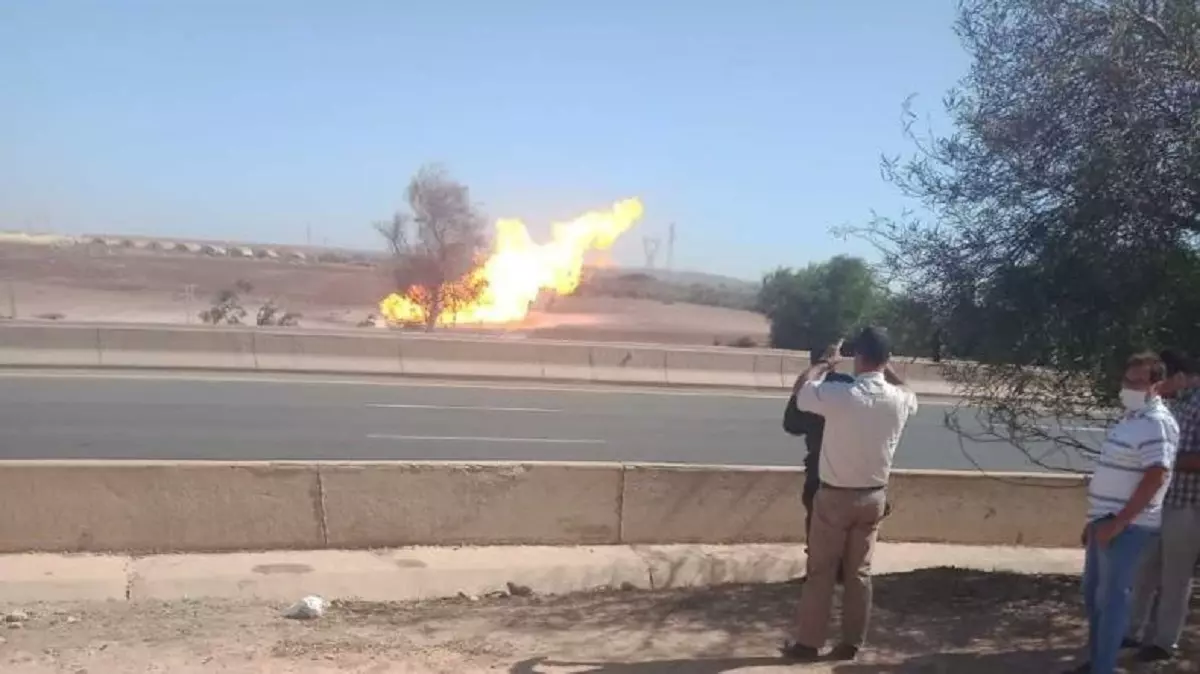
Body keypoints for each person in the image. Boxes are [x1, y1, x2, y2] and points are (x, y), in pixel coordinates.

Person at [781, 327, 918, 662]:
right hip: (873, 497)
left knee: (821, 572)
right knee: (859, 573)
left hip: (835, 497)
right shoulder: (900, 400)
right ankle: (851, 644)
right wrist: (887, 367)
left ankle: (808, 644)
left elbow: (802, 392)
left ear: (858, 356)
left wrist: (824, 363)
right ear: (886, 359)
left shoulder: (843, 396)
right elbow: (908, 391)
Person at [1064, 352, 1179, 674]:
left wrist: (1120, 522)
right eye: (1127, 380)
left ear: (1157, 385)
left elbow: (1156, 475)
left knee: (1111, 598)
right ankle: (1098, 662)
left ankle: (1102, 667)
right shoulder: (1131, 419)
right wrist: (1095, 520)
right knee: (1094, 595)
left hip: (1127, 526)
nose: (1129, 387)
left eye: (1138, 382)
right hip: (1104, 520)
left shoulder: (1156, 423)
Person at [1125, 350, 1200, 663]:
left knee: (1175, 577)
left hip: (1187, 505)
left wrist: (1163, 462)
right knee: (1143, 570)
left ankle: (1164, 642)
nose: (1155, 387)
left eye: (1160, 380)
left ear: (1179, 377)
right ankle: (1131, 632)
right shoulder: (1172, 405)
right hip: (1158, 502)